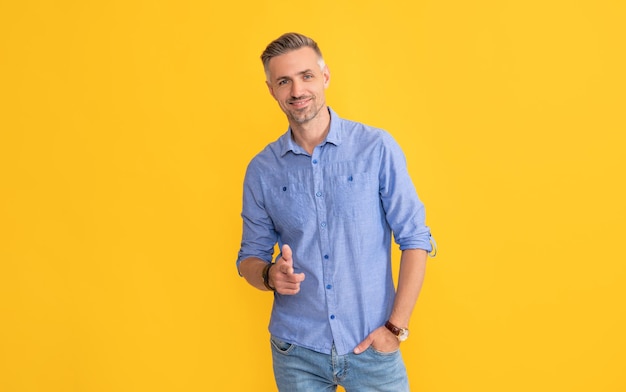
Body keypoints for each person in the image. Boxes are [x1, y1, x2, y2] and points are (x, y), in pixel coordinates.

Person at [236, 32, 435, 391]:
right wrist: (268, 275)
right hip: (296, 350)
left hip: (373, 348)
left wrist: (395, 328)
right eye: (284, 81)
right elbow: (248, 258)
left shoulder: (376, 148)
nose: (297, 91)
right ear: (271, 90)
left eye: (306, 76)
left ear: (325, 76)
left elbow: (415, 239)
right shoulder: (262, 170)